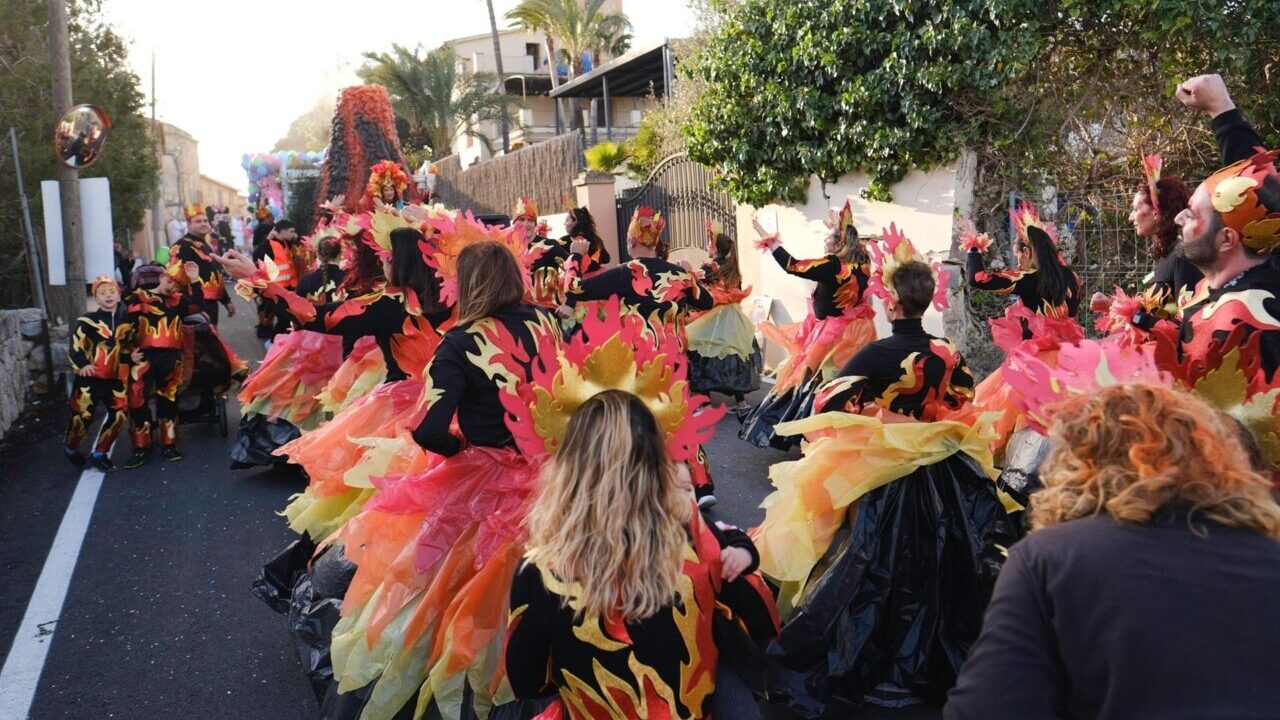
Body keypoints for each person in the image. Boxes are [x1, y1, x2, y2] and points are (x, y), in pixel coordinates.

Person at [757, 243, 1009, 710]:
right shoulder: (945, 350)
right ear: (928, 300)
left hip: (882, 475)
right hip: (941, 472)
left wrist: (873, 412)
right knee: (937, 559)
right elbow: (965, 393)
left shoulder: (877, 353)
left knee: (865, 560)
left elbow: (828, 400)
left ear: (891, 303)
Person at [323, 240, 562, 720]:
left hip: (484, 479)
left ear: (469, 285)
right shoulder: (549, 322)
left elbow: (430, 429)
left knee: (433, 590)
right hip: (554, 475)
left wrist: (460, 451)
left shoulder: (460, 341)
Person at [945, 384, 1280, 720]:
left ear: (1079, 463)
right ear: (1216, 459)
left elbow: (985, 709)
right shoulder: (1269, 554)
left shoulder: (1049, 559)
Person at [506, 390, 779, 719]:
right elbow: (758, 617)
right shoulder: (694, 533)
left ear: (568, 469)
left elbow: (527, 682)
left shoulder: (540, 571)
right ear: (657, 463)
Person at [740, 201, 875, 451]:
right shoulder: (863, 264)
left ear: (839, 245)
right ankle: (838, 434)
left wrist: (767, 238)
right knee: (842, 384)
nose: (824, 242)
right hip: (854, 333)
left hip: (830, 335)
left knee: (812, 381)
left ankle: (814, 435)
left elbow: (793, 265)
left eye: (829, 239)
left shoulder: (833, 266)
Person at [963, 203, 1083, 448]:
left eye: (1018, 253)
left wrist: (974, 248)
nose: (1016, 260)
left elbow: (978, 279)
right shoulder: (1071, 277)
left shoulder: (1027, 279)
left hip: (1034, 365)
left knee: (1022, 429)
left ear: (1028, 251)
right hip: (1071, 363)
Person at [1167, 149, 1280, 378]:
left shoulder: (1242, 320)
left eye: (1192, 214)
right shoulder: (1211, 287)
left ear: (1226, 239)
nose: (1178, 218)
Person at [561, 205, 713, 336]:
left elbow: (574, 289)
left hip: (640, 364)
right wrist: (688, 278)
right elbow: (707, 302)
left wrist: (575, 255)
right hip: (675, 363)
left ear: (632, 241)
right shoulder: (679, 274)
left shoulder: (623, 273)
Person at [122, 260, 204, 468]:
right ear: (161, 277)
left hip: (170, 357)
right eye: (170, 281)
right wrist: (128, 354)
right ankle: (141, 446)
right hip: (144, 357)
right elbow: (124, 329)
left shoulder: (179, 301)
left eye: (177, 285)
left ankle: (169, 443)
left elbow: (198, 304)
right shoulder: (139, 297)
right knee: (137, 400)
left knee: (169, 400)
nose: (172, 287)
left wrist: (194, 281)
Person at [686, 222, 762, 412]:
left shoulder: (711, 265)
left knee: (703, 353)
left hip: (715, 315)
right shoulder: (733, 266)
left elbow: (693, 278)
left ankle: (704, 402)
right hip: (734, 316)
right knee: (734, 353)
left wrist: (685, 270)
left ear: (714, 247)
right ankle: (740, 401)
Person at [64, 276, 130, 472]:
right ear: (95, 298)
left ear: (119, 296)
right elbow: (76, 345)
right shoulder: (87, 321)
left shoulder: (125, 323)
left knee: (119, 415)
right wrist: (82, 364)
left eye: (112, 292)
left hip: (114, 379)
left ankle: (100, 453)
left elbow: (127, 346)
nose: (108, 296)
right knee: (82, 417)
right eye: (102, 293)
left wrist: (132, 355)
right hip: (89, 380)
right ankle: (71, 448)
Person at [172, 203, 236, 325]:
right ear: (189, 224)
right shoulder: (182, 246)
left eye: (205, 221)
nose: (203, 224)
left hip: (210, 303)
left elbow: (215, 274)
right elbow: (177, 280)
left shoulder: (205, 244)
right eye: (198, 221)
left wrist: (226, 300)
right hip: (196, 305)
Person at [514, 196, 570, 306]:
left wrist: (569, 304)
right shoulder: (507, 249)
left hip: (545, 312)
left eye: (530, 220)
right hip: (516, 312)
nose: (525, 224)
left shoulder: (549, 245)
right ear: (514, 223)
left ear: (535, 225)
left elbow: (573, 270)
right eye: (521, 219)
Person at [560, 206, 610, 276]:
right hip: (599, 279)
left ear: (575, 222)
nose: (564, 223)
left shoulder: (565, 241)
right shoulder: (595, 239)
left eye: (567, 220)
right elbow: (606, 259)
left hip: (579, 282)